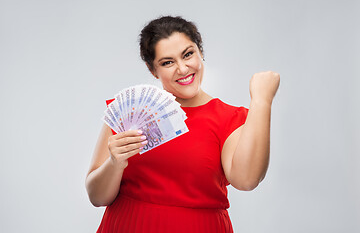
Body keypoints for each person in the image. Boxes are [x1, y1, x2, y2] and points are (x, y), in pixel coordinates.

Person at [85, 16, 280, 233]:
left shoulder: (229, 119)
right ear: (152, 70)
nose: (183, 69)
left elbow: (246, 180)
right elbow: (97, 197)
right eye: (167, 62)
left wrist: (262, 100)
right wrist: (114, 163)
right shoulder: (127, 111)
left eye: (188, 54)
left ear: (201, 53)